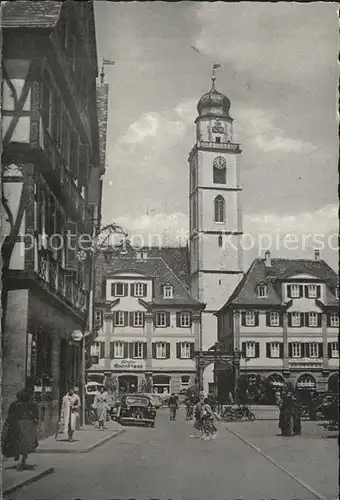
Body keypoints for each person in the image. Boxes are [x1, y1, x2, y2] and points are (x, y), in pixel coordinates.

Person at [1, 389, 39, 470]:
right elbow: (35, 415)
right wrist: (34, 421)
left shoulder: (14, 404)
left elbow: (10, 415)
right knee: (26, 444)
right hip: (27, 426)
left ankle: (20, 459)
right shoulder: (31, 404)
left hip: (17, 425)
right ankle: (22, 461)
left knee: (18, 443)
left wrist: (9, 424)